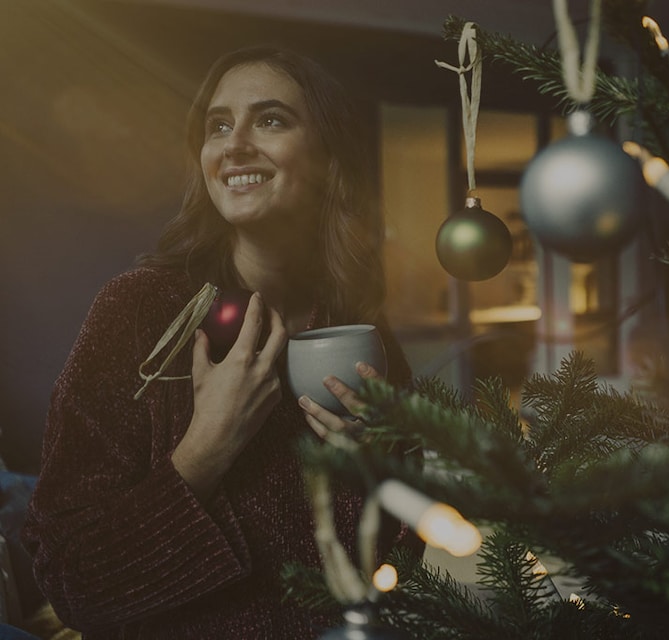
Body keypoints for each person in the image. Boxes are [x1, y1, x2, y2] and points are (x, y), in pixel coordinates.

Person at [22, 45, 420, 638]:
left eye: (271, 119)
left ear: (328, 157)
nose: (234, 144)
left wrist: (378, 473)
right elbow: (73, 583)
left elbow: (407, 563)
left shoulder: (358, 331)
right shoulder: (138, 313)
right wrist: (204, 450)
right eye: (218, 126)